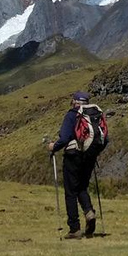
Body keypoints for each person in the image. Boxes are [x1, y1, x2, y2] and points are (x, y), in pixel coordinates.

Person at [48, 91, 102, 239]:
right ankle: (89, 212)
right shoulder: (94, 115)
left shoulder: (72, 115)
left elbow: (65, 138)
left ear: (74, 102)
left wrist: (54, 147)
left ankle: (74, 228)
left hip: (73, 156)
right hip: (89, 156)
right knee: (82, 187)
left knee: (71, 191)